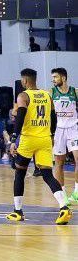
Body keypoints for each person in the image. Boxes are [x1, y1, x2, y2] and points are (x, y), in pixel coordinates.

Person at [6, 68, 71, 225]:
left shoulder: (23, 96)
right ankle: (64, 207)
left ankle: (17, 211)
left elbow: (20, 117)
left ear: (25, 81)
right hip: (45, 139)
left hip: (29, 140)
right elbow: (54, 118)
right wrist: (52, 135)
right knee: (48, 175)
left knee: (20, 172)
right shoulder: (47, 95)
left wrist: (13, 139)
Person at [50, 68, 78, 202]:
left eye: (55, 77)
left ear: (64, 78)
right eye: (53, 77)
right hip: (59, 130)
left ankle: (77, 192)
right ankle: (63, 195)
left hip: (74, 128)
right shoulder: (51, 92)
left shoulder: (75, 91)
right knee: (59, 163)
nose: (53, 80)